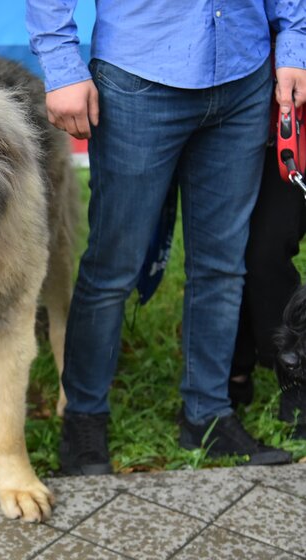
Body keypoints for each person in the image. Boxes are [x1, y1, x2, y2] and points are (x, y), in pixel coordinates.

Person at [26, 1, 306, 475]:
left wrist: (295, 46)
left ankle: (208, 415)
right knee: (113, 267)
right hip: (139, 79)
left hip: (244, 72)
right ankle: (84, 421)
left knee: (222, 265)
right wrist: (61, 64)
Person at [230, 110, 306, 439]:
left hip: (293, 113)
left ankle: (295, 381)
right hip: (254, 112)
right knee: (241, 248)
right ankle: (235, 370)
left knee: (267, 250)